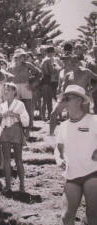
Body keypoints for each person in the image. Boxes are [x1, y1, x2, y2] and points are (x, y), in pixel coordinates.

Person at [56, 85, 97, 225]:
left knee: (93, 216)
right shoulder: (63, 126)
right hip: (72, 175)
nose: (65, 102)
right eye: (64, 99)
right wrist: (59, 158)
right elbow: (58, 148)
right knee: (66, 218)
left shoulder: (93, 120)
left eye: (69, 98)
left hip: (93, 173)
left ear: (80, 100)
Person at [50, 56, 97, 135]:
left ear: (79, 63)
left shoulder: (86, 72)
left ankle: (85, 135)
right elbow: (64, 88)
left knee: (85, 118)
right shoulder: (68, 75)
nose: (73, 64)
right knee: (53, 113)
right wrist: (61, 98)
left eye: (75, 62)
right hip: (69, 97)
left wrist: (91, 90)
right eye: (71, 62)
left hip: (82, 98)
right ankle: (51, 134)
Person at [0, 82, 29, 193]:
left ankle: (22, 186)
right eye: (5, 90)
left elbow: (26, 120)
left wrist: (14, 114)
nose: (6, 92)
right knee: (6, 160)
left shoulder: (20, 104)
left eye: (9, 90)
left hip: (16, 130)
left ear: (14, 91)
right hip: (5, 131)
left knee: (18, 159)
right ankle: (8, 186)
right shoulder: (2, 105)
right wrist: (2, 115)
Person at [8, 49, 41, 136]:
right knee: (16, 109)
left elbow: (39, 73)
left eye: (23, 56)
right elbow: (8, 78)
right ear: (16, 57)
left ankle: (27, 131)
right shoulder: (11, 66)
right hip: (15, 87)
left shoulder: (28, 65)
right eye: (20, 56)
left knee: (28, 109)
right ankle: (18, 131)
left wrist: (33, 84)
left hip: (26, 87)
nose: (22, 58)